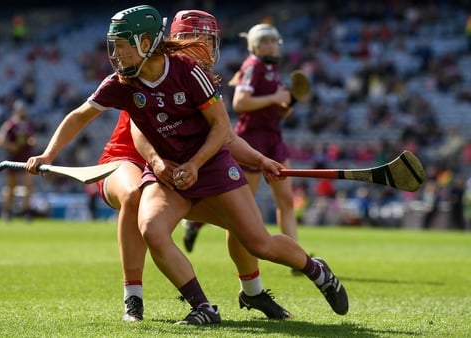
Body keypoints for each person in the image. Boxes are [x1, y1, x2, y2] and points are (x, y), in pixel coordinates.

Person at [26, 5, 348, 325]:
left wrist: (235, 161)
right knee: (152, 228)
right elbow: (82, 115)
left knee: (258, 242)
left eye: (123, 45)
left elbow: (223, 130)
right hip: (166, 172)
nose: (117, 54)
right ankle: (203, 307)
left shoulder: (189, 72)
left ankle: (316, 270)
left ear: (146, 41)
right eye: (116, 46)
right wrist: (48, 155)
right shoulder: (123, 82)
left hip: (211, 168)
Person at [94, 9, 291, 323]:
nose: (201, 47)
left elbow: (224, 136)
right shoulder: (149, 73)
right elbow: (139, 134)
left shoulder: (197, 80)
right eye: (192, 39)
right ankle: (133, 298)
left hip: (179, 167)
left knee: (243, 224)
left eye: (207, 41)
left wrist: (259, 160)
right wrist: (160, 164)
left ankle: (252, 291)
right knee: (134, 197)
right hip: (132, 159)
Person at [182, 22, 301, 265]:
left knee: (286, 200)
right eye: (265, 41)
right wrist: (276, 97)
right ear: (255, 46)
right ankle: (195, 222)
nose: (270, 45)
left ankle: (295, 256)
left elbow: (272, 110)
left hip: (274, 138)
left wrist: (284, 107)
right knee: (243, 206)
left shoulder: (271, 69)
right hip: (252, 139)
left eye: (273, 41)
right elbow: (240, 102)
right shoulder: (251, 67)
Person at [0, 99, 36, 222]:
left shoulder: (28, 124)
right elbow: (0, 140)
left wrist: (31, 142)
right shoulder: (10, 124)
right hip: (13, 159)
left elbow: (32, 138)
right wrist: (11, 146)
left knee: (29, 186)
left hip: (26, 159)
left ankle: (27, 211)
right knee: (11, 187)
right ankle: (7, 211)